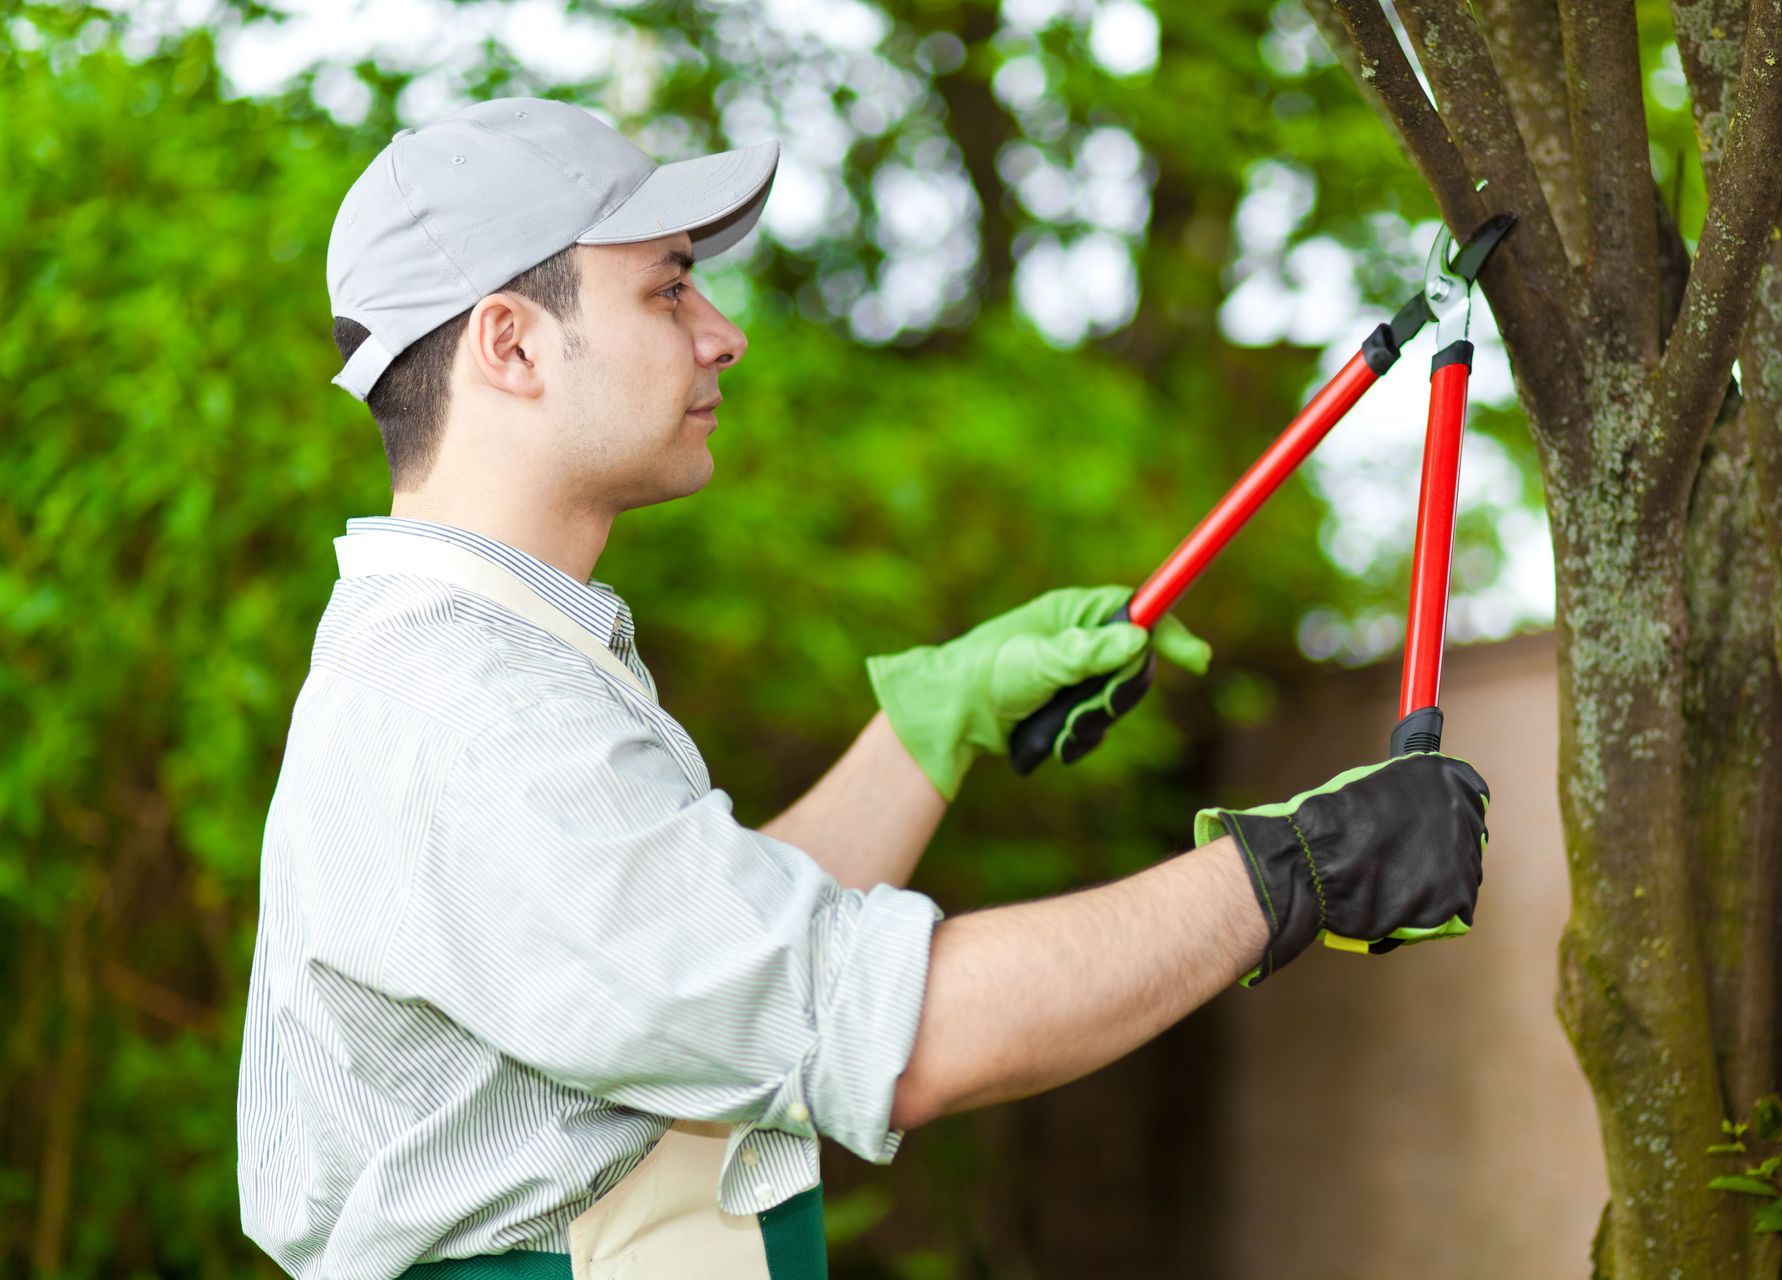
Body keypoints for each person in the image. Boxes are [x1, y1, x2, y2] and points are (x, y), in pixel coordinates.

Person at [237, 97, 1490, 1280]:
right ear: (510, 343)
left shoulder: (488, 657)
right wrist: (1291, 870)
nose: (722, 329)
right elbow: (892, 1029)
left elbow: (703, 961)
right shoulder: (474, 716)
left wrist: (935, 716)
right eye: (668, 286)